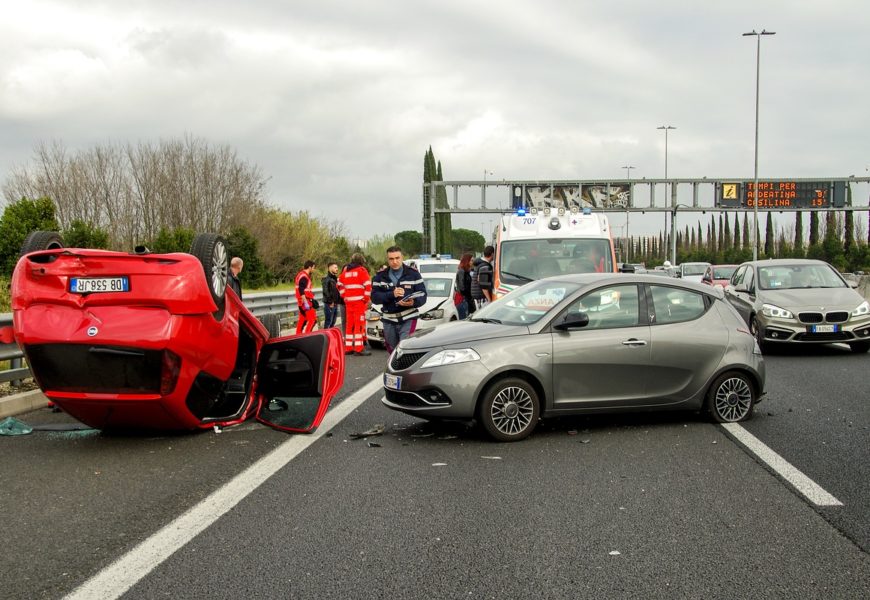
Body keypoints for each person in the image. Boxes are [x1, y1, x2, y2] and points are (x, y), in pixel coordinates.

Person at [371, 246, 427, 354]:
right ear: (387, 260)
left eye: (397, 258)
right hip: (389, 319)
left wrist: (413, 302)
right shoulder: (380, 276)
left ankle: (405, 370)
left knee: (404, 347)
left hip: (408, 318)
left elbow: (423, 295)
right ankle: (394, 369)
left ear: (402, 258)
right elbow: (374, 298)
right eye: (391, 259)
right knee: (392, 351)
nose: (395, 261)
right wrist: (392, 294)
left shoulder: (413, 274)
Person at [337, 253, 372, 355]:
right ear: (361, 261)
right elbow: (368, 285)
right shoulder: (362, 270)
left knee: (349, 325)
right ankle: (359, 349)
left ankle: (348, 348)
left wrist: (344, 296)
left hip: (349, 303)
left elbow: (339, 284)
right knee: (359, 325)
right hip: (359, 303)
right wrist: (366, 299)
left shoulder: (346, 271)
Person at [294, 260, 318, 334]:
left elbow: (304, 289)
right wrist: (306, 302)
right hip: (305, 301)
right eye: (313, 268)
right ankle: (307, 335)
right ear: (310, 267)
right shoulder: (304, 276)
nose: (313, 270)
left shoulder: (301, 275)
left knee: (303, 319)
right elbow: (301, 290)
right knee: (313, 320)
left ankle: (298, 335)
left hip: (302, 301)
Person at [454, 253, 475, 319]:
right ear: (467, 261)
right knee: (464, 320)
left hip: (466, 299)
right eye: (471, 260)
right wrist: (470, 295)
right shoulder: (462, 271)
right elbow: (462, 287)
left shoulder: (466, 271)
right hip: (463, 300)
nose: (472, 262)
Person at [321, 262, 342, 329]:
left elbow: (336, 291)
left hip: (335, 303)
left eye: (337, 267)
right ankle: (325, 337)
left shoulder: (335, 279)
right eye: (335, 267)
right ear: (330, 268)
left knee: (333, 321)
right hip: (329, 304)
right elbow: (325, 291)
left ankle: (330, 337)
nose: (337, 269)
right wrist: (331, 302)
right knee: (328, 322)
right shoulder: (326, 279)